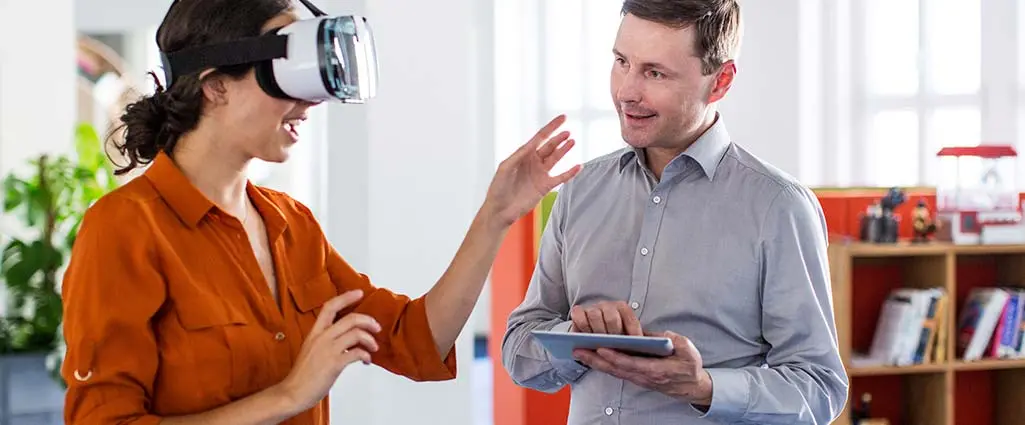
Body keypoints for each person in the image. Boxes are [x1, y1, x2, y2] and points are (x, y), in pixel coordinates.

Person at [59, 1, 580, 424]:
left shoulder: (291, 224)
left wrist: (495, 215)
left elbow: (416, 340)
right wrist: (288, 396)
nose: (309, 104)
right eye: (283, 75)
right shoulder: (124, 228)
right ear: (215, 84)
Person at [501, 0, 849, 424]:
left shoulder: (779, 206)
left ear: (719, 81)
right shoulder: (580, 190)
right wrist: (576, 340)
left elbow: (819, 388)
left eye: (655, 73)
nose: (627, 91)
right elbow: (518, 353)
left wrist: (704, 387)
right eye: (621, 62)